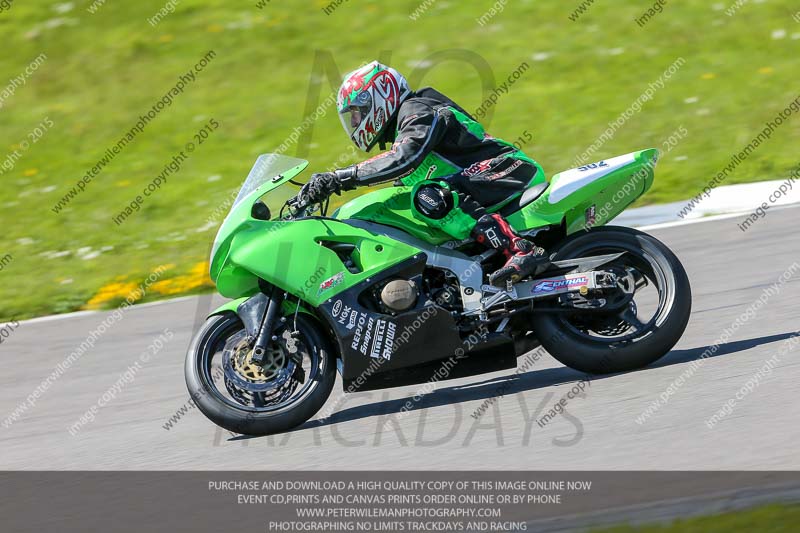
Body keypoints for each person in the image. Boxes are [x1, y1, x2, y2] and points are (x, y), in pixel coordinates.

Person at [298, 61, 548, 286]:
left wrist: (339, 178)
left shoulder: (418, 109)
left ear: (380, 95)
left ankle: (521, 249)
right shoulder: (403, 132)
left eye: (357, 112)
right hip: (480, 183)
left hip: (508, 168)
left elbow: (403, 158)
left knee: (429, 195)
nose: (355, 122)